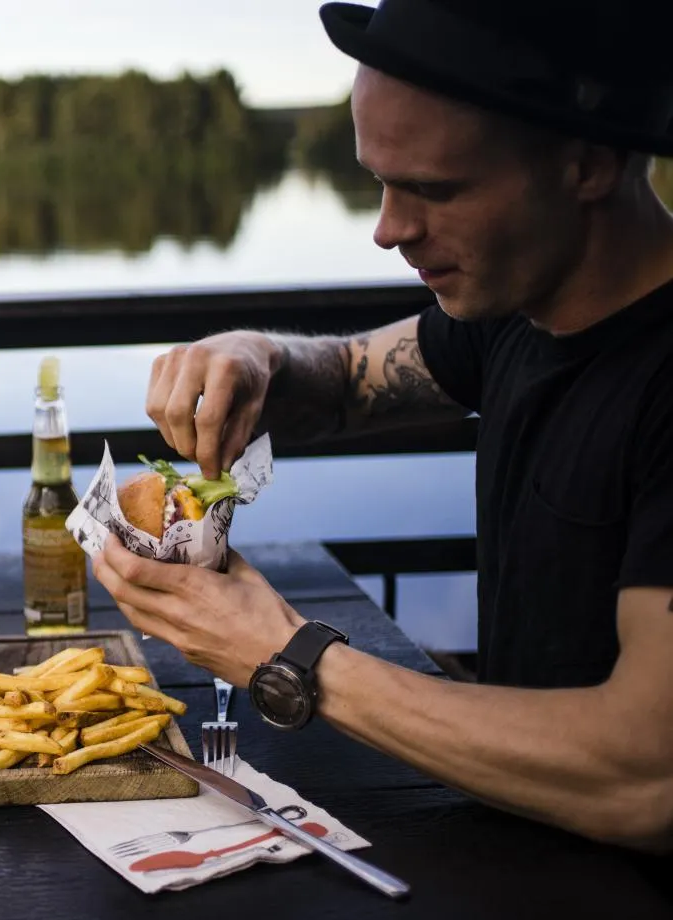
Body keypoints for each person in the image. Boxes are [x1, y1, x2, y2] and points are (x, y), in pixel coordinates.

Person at [98, 0, 673, 850]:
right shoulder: (519, 310)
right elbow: (344, 382)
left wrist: (287, 655)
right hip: (520, 861)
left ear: (588, 163)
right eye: (380, 181)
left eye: (433, 189)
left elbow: (648, 775)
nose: (388, 229)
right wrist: (257, 355)